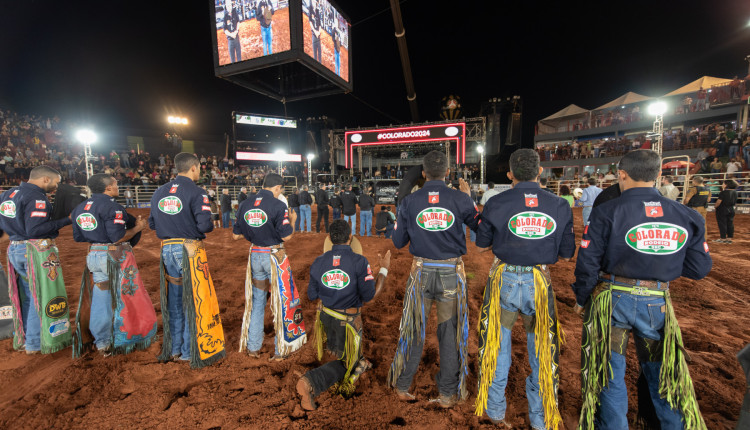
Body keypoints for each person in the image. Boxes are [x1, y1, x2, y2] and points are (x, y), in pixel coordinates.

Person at [572, 150, 712, 429]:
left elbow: (588, 262)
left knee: (608, 371)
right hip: (657, 303)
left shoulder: (606, 211)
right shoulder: (687, 215)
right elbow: (699, 268)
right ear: (658, 175)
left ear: (621, 174)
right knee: (663, 372)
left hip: (613, 298)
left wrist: (582, 297)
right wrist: (661, 266)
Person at [474, 149, 575, 429]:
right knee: (542, 352)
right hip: (539, 283)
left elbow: (481, 246)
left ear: (510, 175)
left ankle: (495, 412)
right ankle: (540, 420)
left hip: (504, 279)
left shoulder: (496, 202)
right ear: (540, 171)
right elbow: (567, 255)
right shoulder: (560, 204)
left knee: (496, 345)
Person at [389, 151, 480, 407]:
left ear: (424, 174)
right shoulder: (460, 198)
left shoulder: (409, 201)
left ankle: (404, 384)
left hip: (420, 272)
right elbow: (481, 230)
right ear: (448, 173)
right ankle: (449, 392)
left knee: (414, 328)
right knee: (449, 332)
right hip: (451, 273)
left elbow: (398, 242)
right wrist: (468, 199)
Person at [296, 220, 391, 410]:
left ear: (330, 239)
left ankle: (352, 357)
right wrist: (384, 269)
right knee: (347, 365)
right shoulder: (359, 261)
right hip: (346, 323)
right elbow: (369, 296)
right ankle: (310, 382)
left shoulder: (318, 262)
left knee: (343, 349)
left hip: (325, 318)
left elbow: (312, 295)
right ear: (350, 237)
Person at [148, 153, 225, 368]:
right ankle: (189, 351)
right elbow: (205, 226)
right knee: (194, 300)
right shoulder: (197, 192)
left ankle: (173, 349)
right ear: (194, 168)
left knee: (174, 301)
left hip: (166, 249)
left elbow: (152, 223)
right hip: (189, 250)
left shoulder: (159, 192)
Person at [70, 174, 154, 357]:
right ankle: (128, 335)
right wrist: (138, 228)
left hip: (93, 254)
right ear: (108, 188)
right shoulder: (112, 207)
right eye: (116, 184)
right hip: (112, 255)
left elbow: (78, 237)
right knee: (127, 293)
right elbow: (118, 237)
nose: (118, 187)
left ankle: (102, 342)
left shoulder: (79, 208)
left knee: (101, 296)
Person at [0, 166, 73, 354]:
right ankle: (34, 342)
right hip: (31, 250)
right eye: (56, 182)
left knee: (24, 294)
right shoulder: (37, 197)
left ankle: (24, 338)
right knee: (37, 295)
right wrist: (67, 219)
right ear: (46, 179)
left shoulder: (8, 193)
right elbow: (35, 230)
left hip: (14, 249)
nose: (57, 186)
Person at [234, 173, 305, 360]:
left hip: (255, 254)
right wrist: (293, 221)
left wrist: (257, 230)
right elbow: (287, 236)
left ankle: (253, 347)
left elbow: (236, 235)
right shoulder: (278, 205)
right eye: (280, 189)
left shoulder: (245, 204)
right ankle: (280, 350)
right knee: (282, 301)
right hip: (274, 256)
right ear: (277, 188)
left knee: (257, 301)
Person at [683, 176, 710, 241]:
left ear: (695, 181)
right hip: (703, 208)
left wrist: (684, 205)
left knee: (692, 223)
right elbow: (708, 200)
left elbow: (687, 199)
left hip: (694, 208)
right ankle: (704, 238)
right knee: (703, 223)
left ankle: (692, 238)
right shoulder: (708, 189)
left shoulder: (693, 189)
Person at [714, 179, 738, 244]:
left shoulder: (723, 192)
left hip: (722, 209)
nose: (722, 185)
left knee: (722, 223)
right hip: (731, 209)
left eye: (723, 183)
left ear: (727, 185)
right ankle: (729, 238)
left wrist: (715, 206)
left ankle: (723, 238)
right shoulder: (735, 192)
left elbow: (718, 202)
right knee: (730, 223)